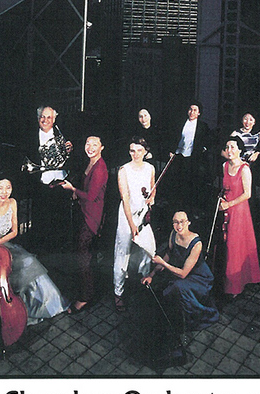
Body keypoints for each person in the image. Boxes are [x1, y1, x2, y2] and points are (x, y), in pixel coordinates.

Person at [0, 179, 69, 326]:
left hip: (4, 246)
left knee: (31, 263)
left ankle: (45, 307)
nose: (4, 192)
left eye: (8, 188)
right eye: (0, 188)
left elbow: (14, 231)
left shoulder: (12, 203)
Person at [142, 211, 219, 334]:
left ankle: (187, 321)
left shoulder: (196, 243)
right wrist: (151, 274)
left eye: (182, 222)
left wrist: (163, 264)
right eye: (176, 222)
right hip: (179, 269)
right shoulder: (173, 234)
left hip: (198, 277)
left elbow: (183, 274)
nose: (179, 225)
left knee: (178, 287)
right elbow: (168, 254)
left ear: (188, 223)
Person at [58, 136, 108, 314]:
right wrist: (77, 192)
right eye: (88, 143)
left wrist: (73, 190)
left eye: (95, 144)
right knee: (83, 254)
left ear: (102, 147)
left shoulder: (100, 168)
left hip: (92, 217)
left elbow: (91, 196)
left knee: (83, 256)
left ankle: (86, 297)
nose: (90, 147)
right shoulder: (90, 162)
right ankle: (87, 288)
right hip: (85, 212)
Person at [113, 137, 156, 312]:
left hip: (143, 214)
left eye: (139, 150)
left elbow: (152, 188)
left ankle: (144, 282)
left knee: (146, 250)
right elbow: (125, 199)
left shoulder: (150, 168)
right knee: (122, 252)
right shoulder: (124, 170)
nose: (136, 154)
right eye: (132, 150)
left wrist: (151, 199)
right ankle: (118, 292)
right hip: (127, 215)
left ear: (145, 151)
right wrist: (132, 225)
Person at [24, 106, 73, 251]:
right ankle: (43, 250)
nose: (45, 120)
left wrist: (69, 149)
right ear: (38, 119)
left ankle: (60, 250)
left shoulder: (61, 133)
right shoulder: (30, 137)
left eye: (49, 117)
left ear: (54, 119)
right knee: (42, 221)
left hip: (61, 183)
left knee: (61, 220)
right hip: (42, 185)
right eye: (42, 117)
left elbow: (68, 156)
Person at [219, 136, 260, 298]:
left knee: (234, 248)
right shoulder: (224, 166)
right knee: (225, 247)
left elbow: (247, 194)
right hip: (225, 209)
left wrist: (229, 204)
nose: (229, 150)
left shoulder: (244, 169)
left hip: (239, 212)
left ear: (240, 150)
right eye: (227, 147)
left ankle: (235, 287)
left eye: (233, 147)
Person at [168, 102, 212, 212]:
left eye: (195, 110)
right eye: (190, 109)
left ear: (199, 113)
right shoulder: (181, 122)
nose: (192, 112)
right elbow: (174, 137)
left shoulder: (203, 126)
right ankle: (177, 206)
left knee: (190, 181)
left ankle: (189, 207)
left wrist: (203, 149)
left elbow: (207, 140)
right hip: (179, 155)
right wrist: (172, 150)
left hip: (193, 157)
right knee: (177, 180)